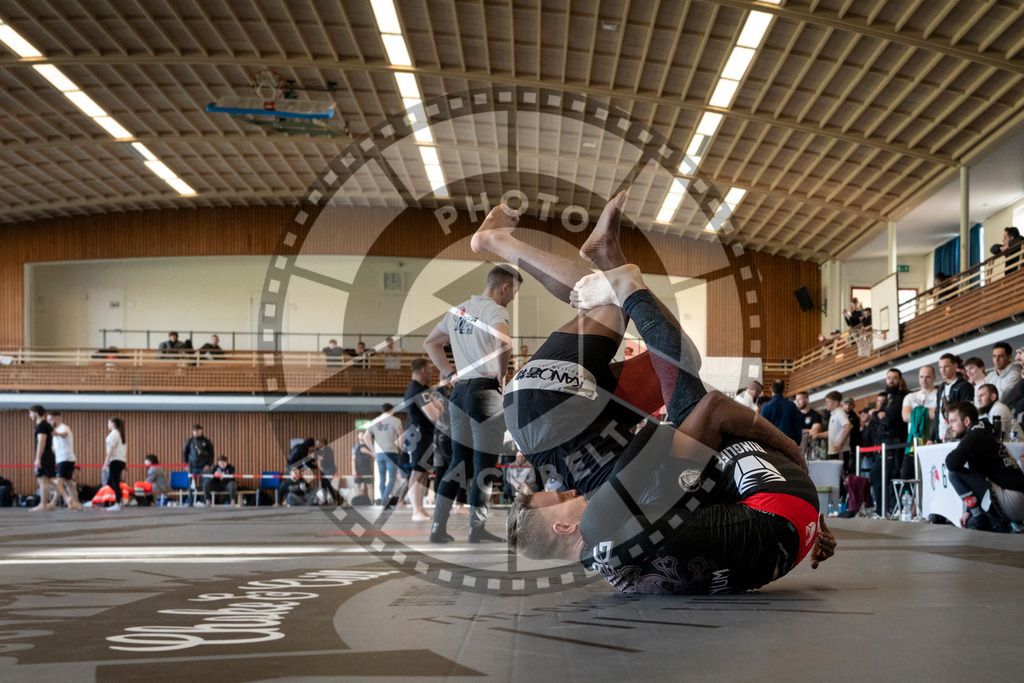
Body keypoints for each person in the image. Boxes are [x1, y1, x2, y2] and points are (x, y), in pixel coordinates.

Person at [508, 261, 834, 594]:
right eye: (563, 494)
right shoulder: (598, 520)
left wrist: (806, 536)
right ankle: (627, 285)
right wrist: (791, 447)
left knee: (686, 399)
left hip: (794, 541)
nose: (572, 489)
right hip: (782, 504)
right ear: (563, 527)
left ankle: (617, 276)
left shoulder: (616, 577)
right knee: (689, 407)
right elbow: (698, 415)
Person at [423, 256, 522, 544]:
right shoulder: (494, 311)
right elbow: (505, 342)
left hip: (459, 394)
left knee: (457, 464)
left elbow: (431, 342)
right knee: (483, 465)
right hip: (484, 393)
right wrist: (500, 372)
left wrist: (449, 373)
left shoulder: (457, 311)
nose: (512, 299)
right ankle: (476, 529)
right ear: (504, 287)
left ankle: (437, 529)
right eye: (513, 293)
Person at [944, 402, 1024, 531]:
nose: (949, 426)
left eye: (952, 421)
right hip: (1015, 498)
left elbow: (951, 463)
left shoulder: (976, 434)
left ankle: (987, 520)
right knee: (970, 521)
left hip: (1013, 499)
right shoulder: (982, 431)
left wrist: (975, 513)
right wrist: (969, 511)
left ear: (966, 421)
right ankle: (983, 517)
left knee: (954, 474)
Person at [404, 358, 442, 521]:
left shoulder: (424, 389)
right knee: (417, 473)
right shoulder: (416, 390)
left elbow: (438, 405)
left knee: (424, 473)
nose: (432, 372)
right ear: (423, 370)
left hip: (427, 434)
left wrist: (438, 406)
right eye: (430, 369)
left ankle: (420, 508)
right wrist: (439, 408)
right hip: (419, 434)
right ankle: (415, 511)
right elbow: (434, 414)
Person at [869, 369, 909, 513]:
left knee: (889, 476)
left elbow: (888, 419)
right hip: (884, 443)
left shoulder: (902, 396)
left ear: (900, 379)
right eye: (889, 378)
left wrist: (879, 415)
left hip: (895, 442)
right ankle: (881, 509)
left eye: (894, 378)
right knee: (877, 476)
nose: (891, 380)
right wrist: (877, 414)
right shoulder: (888, 397)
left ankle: (889, 509)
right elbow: (877, 417)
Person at [363, 405, 404, 508]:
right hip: (391, 452)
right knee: (392, 478)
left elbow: (365, 437)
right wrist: (400, 448)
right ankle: (385, 500)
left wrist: (373, 451)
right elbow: (402, 435)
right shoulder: (395, 420)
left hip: (379, 453)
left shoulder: (375, 421)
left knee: (382, 478)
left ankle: (383, 500)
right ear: (392, 410)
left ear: (382, 411)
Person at [929, 353, 974, 444]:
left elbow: (967, 413)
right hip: (941, 437)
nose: (943, 370)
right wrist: (931, 437)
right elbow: (938, 412)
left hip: (958, 437)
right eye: (940, 367)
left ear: (955, 366)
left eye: (946, 367)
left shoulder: (964, 386)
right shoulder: (941, 388)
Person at [46, 411, 80, 510]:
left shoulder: (64, 428)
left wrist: (56, 434)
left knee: (59, 482)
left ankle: (53, 503)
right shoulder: (56, 430)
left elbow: (64, 434)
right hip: (63, 459)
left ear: (57, 419)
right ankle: (76, 503)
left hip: (66, 459)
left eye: (50, 420)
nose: (49, 422)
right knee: (69, 483)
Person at [29, 405, 56, 511]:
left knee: (42, 480)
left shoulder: (41, 426)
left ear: (36, 413)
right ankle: (67, 498)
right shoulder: (47, 425)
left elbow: (41, 442)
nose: (30, 415)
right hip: (48, 454)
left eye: (30, 413)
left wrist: (38, 458)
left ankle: (43, 504)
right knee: (48, 480)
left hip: (44, 455)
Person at [760, 380, 803, 445]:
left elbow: (762, 429)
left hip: (772, 445)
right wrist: (797, 443)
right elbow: (797, 427)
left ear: (771, 389)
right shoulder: (791, 405)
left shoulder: (765, 407)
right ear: (783, 389)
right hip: (789, 444)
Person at [182, 424, 214, 505]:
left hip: (204, 467)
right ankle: (191, 502)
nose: (195, 432)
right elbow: (184, 453)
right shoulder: (189, 441)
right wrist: (186, 465)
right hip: (192, 467)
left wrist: (208, 465)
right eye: (194, 431)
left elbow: (212, 454)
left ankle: (206, 501)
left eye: (197, 430)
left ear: (201, 431)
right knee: (191, 484)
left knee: (206, 484)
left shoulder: (207, 441)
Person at [103, 417, 128, 511]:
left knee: (115, 482)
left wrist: (105, 464)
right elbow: (123, 450)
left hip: (115, 461)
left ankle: (118, 503)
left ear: (113, 424)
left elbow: (111, 450)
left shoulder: (113, 435)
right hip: (121, 461)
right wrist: (125, 463)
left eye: (109, 423)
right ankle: (120, 499)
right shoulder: (121, 435)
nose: (108, 425)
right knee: (110, 482)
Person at [824, 391, 852, 465]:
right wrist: (817, 435)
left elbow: (847, 427)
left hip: (840, 451)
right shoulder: (834, 414)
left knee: (839, 475)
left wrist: (840, 444)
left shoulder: (839, 413)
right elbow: (831, 432)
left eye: (828, 402)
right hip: (834, 450)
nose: (826, 404)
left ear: (836, 402)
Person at [315, 438, 343, 505]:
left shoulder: (328, 450)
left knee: (327, 484)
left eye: (318, 443)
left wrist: (321, 459)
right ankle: (325, 500)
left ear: (322, 443)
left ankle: (334, 499)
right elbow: (316, 459)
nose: (317, 445)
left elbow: (328, 461)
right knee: (323, 485)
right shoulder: (318, 451)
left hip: (330, 469)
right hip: (323, 469)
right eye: (316, 443)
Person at [795, 392, 823, 457]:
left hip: (810, 448)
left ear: (806, 400)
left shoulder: (815, 415)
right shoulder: (795, 416)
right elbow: (793, 431)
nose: (798, 402)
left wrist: (800, 431)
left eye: (799, 399)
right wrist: (808, 430)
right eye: (797, 400)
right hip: (797, 448)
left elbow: (814, 432)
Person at [351, 435, 374, 503]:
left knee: (369, 486)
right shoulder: (355, 447)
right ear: (358, 437)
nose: (362, 436)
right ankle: (359, 502)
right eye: (360, 435)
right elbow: (353, 459)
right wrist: (353, 470)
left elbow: (374, 456)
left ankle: (371, 502)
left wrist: (367, 451)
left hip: (367, 468)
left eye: (363, 435)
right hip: (358, 469)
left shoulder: (369, 446)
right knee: (358, 486)